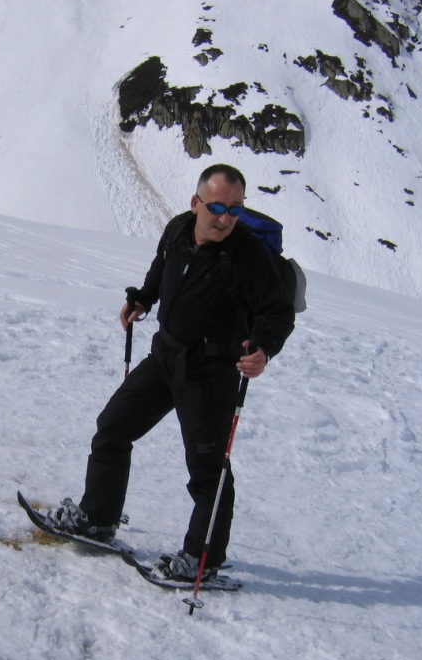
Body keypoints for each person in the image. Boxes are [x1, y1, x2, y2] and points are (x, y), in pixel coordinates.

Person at [50, 163, 296, 581]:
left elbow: (278, 312)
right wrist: (144, 299)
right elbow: (161, 268)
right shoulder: (179, 229)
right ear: (196, 202)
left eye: (235, 210)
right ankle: (98, 519)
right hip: (165, 357)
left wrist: (265, 349)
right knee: (113, 428)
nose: (225, 218)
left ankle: (202, 561)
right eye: (216, 207)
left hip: (211, 375)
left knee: (208, 471)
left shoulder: (248, 256)